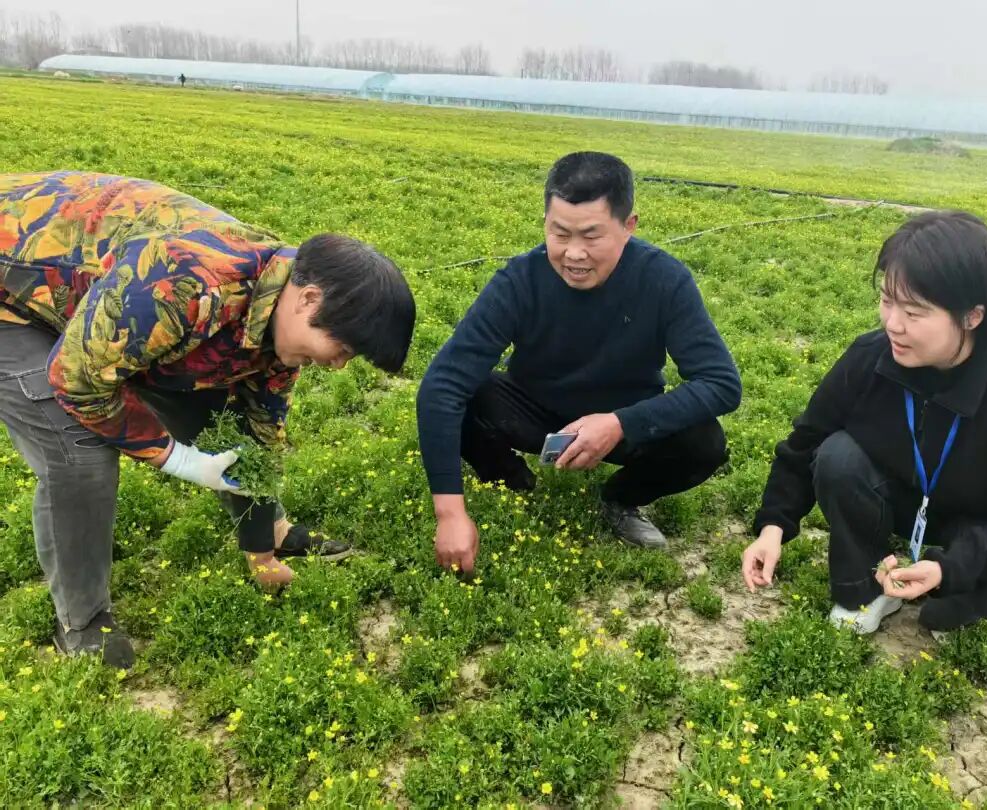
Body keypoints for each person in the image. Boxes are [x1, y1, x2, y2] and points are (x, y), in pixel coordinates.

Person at [0, 171, 416, 666]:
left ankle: (273, 532)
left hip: (107, 303)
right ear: (309, 300)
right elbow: (78, 382)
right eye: (342, 349)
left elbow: (258, 433)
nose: (338, 366)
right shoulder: (186, 287)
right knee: (79, 452)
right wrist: (175, 458)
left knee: (217, 409)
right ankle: (82, 619)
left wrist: (260, 549)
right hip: (14, 292)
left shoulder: (276, 313)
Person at [742, 210, 987, 635]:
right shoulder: (870, 357)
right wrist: (773, 527)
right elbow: (806, 442)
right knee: (838, 458)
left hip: (984, 520)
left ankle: (954, 601)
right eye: (887, 300)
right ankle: (865, 589)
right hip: (905, 498)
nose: (892, 324)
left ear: (973, 316)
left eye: (914, 312)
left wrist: (947, 569)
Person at [417, 151, 741, 573]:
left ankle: (620, 498)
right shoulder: (520, 280)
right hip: (533, 408)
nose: (573, 254)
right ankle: (511, 478)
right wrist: (449, 514)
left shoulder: (664, 280)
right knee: (458, 393)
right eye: (560, 233)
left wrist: (620, 423)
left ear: (628, 226)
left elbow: (721, 383)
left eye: (591, 236)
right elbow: (442, 385)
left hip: (622, 417)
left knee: (703, 441)